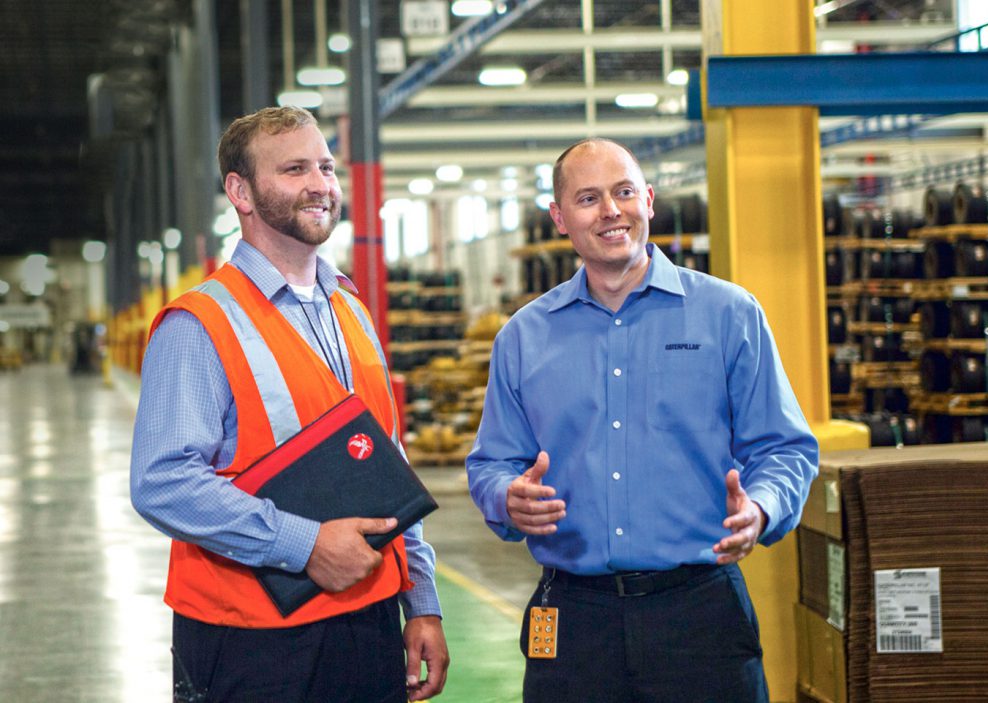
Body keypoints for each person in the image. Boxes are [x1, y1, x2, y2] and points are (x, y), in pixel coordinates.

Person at [466, 137, 818, 703]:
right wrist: (506, 496)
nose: (610, 211)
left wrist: (762, 507)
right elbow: (492, 461)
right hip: (574, 617)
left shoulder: (729, 315)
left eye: (623, 192)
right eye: (588, 198)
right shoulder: (524, 338)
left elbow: (784, 448)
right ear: (559, 218)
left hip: (700, 610)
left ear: (648, 201)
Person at [130, 106, 448, 703]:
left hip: (370, 622)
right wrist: (303, 545)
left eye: (326, 167)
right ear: (240, 191)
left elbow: (388, 469)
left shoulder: (349, 309)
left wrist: (421, 603)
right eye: (295, 169)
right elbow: (162, 482)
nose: (320, 185)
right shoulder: (199, 324)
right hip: (252, 642)